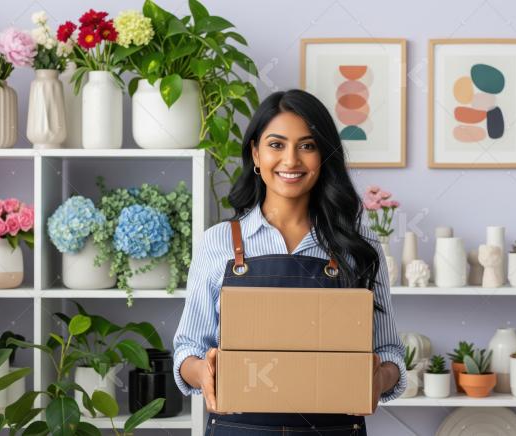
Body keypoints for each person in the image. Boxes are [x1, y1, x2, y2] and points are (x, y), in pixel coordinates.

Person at [173, 89, 406, 435]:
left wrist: (379, 377)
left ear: (324, 155)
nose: (291, 160)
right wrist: (202, 372)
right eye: (276, 145)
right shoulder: (218, 242)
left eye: (307, 146)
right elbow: (187, 349)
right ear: (255, 152)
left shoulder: (359, 247)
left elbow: (390, 354)